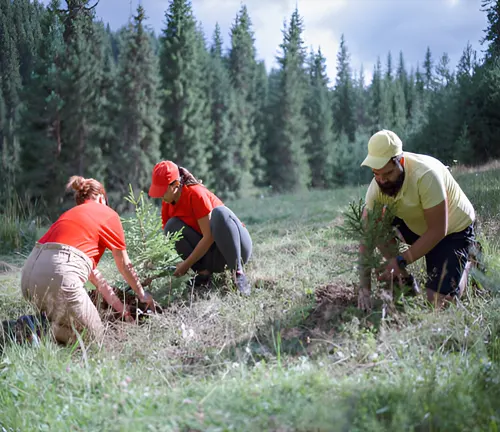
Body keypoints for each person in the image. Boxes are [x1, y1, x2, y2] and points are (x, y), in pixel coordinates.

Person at [21, 176, 155, 345]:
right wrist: (142, 294)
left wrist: (123, 312)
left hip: (29, 275)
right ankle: (36, 328)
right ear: (100, 196)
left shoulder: (70, 215)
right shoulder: (108, 214)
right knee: (94, 339)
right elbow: (124, 265)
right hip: (59, 273)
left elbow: (99, 282)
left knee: (68, 321)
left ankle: (28, 328)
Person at [358, 129, 477, 310]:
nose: (382, 180)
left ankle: (468, 265)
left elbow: (438, 230)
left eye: (388, 174)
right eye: (376, 174)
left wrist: (400, 260)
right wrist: (364, 289)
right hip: (418, 225)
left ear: (401, 161)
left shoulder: (426, 175)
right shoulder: (377, 188)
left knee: (439, 303)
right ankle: (404, 281)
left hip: (452, 230)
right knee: (376, 223)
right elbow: (367, 236)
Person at [148, 161, 253, 295]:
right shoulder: (167, 204)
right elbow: (168, 243)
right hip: (212, 257)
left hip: (236, 249)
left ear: (175, 185)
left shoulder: (196, 194)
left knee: (220, 213)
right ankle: (203, 275)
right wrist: (153, 264)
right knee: (171, 227)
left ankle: (238, 273)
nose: (160, 196)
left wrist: (185, 265)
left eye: (162, 191)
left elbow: (209, 237)